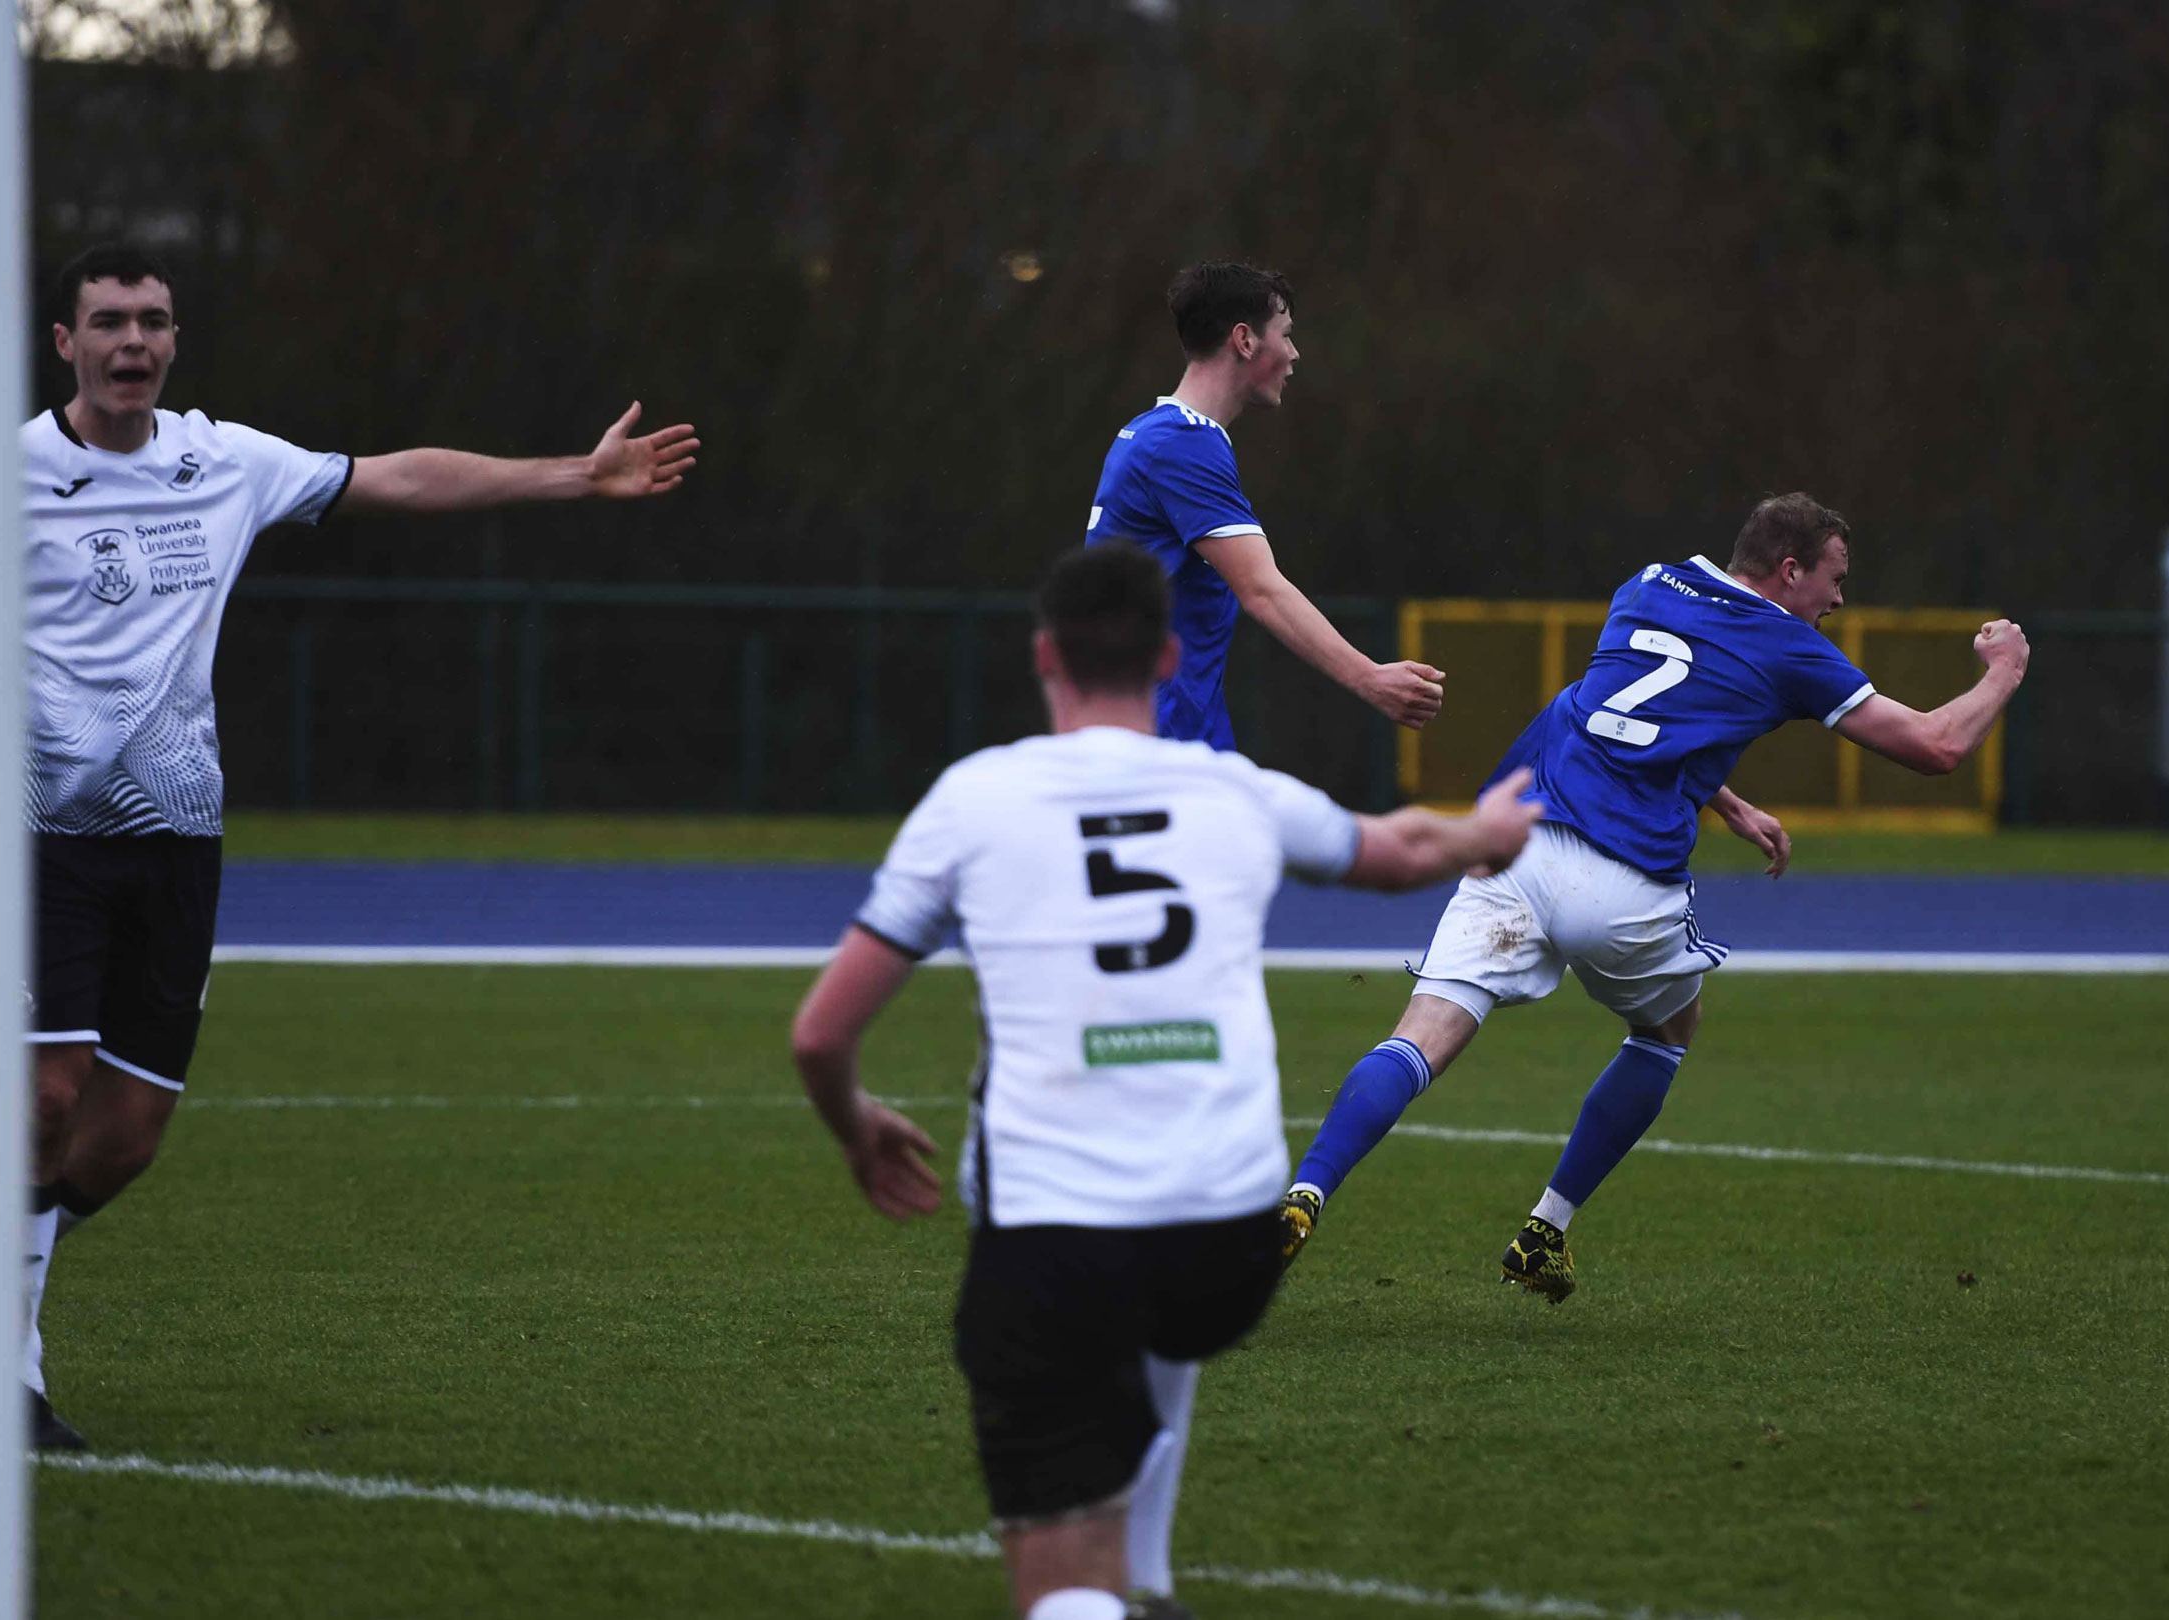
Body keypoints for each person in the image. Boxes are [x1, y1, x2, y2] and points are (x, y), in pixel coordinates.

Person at [0, 243, 698, 1448]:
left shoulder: (220, 460)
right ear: (64, 344)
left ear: (175, 342)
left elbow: (398, 481)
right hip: (32, 840)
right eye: (109, 321)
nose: (134, 341)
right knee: (47, 1098)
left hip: (179, 843)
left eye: (154, 321)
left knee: (122, 1142)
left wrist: (569, 478)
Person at [788, 542, 1539, 1620]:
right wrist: (1491, 830)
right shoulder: (1234, 791)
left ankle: (1101, 1586)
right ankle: (1145, 1577)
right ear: (1173, 657)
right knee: (1153, 1279)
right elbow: (1403, 850)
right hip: (1229, 1239)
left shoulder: (976, 797)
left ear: (1044, 656)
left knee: (1055, 1570)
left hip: (1055, 1235)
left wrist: (857, 1126)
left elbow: (821, 1036)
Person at [1277, 493, 2032, 1301]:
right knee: (1671, 1027)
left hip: (1519, 841)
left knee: (1421, 1037)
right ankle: (1545, 1229)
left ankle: (1305, 1194)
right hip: (1623, 883)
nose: (1839, 599)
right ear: (1789, 570)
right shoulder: (1792, 648)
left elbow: (1624, 710)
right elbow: (1937, 747)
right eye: (1834, 577)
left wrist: (1729, 801)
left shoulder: (1649, 583)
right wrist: (2005, 672)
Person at [1085, 260, 1445, 747]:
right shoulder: (1182, 442)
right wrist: (1369, 678)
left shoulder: (1155, 434)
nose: (1295, 354)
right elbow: (1262, 589)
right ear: (1245, 340)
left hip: (1160, 733)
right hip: (1161, 741)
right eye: (1286, 334)